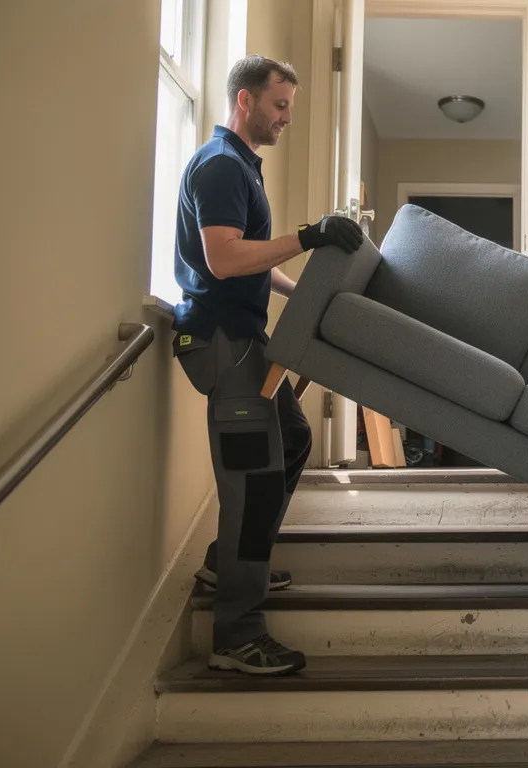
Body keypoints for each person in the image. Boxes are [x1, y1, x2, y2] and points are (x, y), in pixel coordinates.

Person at [170, 55, 365, 676]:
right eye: (280, 106)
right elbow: (225, 260)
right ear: (245, 100)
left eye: (290, 108)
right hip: (224, 342)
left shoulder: (241, 167)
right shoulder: (221, 167)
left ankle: (227, 563)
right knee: (253, 485)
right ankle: (237, 635)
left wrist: (302, 294)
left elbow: (250, 262)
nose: (286, 118)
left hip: (248, 340)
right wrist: (309, 236)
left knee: (296, 439)